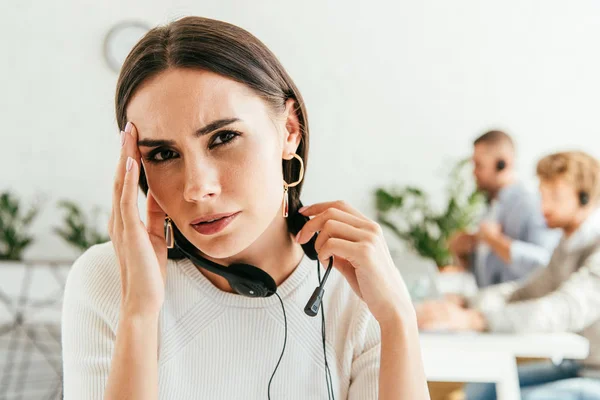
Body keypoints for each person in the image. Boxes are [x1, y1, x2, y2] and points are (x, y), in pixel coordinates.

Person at [60, 16, 429, 399]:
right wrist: (139, 313)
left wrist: (398, 319)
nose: (196, 188)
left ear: (289, 131)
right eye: (164, 153)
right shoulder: (107, 281)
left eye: (223, 137)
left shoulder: (357, 289)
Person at [417, 150, 600, 399]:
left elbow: (562, 310)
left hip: (595, 374)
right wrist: (466, 303)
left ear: (585, 198)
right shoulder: (566, 244)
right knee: (482, 389)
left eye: (554, 197)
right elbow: (525, 292)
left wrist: (477, 320)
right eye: (543, 195)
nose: (543, 206)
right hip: (579, 366)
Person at [448, 130, 559, 287]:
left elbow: (545, 262)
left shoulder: (530, 205)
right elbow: (488, 274)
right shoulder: (491, 206)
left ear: (502, 164)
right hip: (489, 301)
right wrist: (464, 253)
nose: (474, 172)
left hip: (518, 305)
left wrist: (495, 241)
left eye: (479, 165)